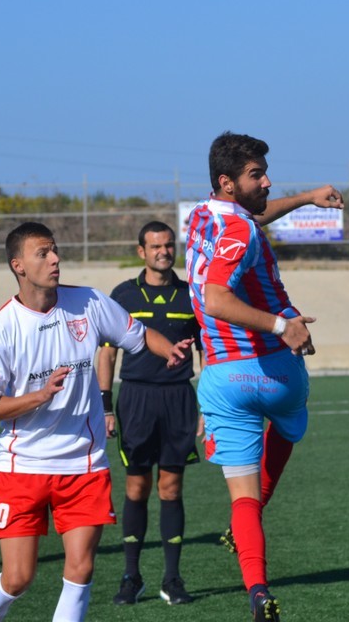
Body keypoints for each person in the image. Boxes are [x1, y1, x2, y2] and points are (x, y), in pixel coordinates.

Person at [0, 222, 192, 622]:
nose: (55, 259)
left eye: (55, 250)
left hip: (84, 464)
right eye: (43, 254)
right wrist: (38, 397)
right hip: (23, 466)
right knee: (17, 579)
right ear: (18, 265)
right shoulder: (3, 327)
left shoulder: (88, 302)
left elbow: (139, 334)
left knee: (81, 571)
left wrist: (169, 350)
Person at [186, 131, 343, 622]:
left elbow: (253, 217)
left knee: (243, 499)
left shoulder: (202, 216)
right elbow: (217, 297)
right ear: (228, 182)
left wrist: (307, 198)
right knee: (290, 422)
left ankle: (257, 589)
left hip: (222, 381)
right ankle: (252, 518)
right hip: (275, 372)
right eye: (257, 175)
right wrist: (284, 326)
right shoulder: (242, 231)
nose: (268, 181)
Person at [96, 221, 202, 606]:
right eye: (155, 246)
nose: (163, 252)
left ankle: (172, 579)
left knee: (171, 488)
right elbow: (107, 354)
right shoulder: (123, 295)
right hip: (136, 399)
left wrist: (207, 407)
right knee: (136, 488)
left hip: (178, 399)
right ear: (141, 251)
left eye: (168, 245)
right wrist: (106, 407)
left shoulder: (191, 295)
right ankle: (131, 576)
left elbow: (206, 354)